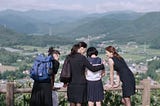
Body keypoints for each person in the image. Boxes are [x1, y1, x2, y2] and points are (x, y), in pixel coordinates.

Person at [65, 42, 105, 106]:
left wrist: (65, 82)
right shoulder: (82, 58)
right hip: (81, 83)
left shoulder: (69, 57)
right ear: (81, 48)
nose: (84, 52)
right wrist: (102, 66)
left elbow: (65, 71)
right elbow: (92, 69)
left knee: (72, 102)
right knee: (79, 102)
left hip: (71, 83)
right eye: (85, 50)